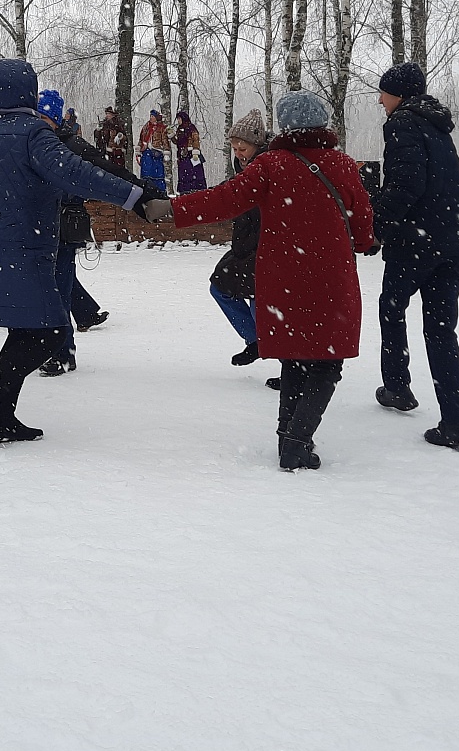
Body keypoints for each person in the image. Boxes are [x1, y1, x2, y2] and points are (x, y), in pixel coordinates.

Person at [0, 59, 145, 444]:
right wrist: (134, 196)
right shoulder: (33, 134)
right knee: (53, 331)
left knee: (27, 331)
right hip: (23, 249)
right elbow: (77, 172)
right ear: (27, 90)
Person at [152, 90, 373, 471]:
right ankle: (297, 441)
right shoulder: (341, 164)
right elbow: (362, 220)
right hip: (329, 275)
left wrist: (172, 209)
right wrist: (365, 240)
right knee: (326, 362)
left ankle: (288, 434)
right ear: (322, 124)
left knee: (294, 358)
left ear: (285, 127)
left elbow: (223, 199)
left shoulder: (270, 165)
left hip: (283, 276)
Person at [369, 62, 459, 448]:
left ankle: (397, 386)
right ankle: (456, 420)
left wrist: (376, 225)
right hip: (454, 239)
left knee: (391, 308)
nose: (380, 101)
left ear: (397, 94)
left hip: (418, 242)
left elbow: (406, 184)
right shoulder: (437, 125)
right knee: (441, 328)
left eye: (383, 93)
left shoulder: (402, 123)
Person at [35, 88, 152, 377]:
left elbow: (106, 170)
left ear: (54, 118)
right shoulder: (32, 143)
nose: (38, 121)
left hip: (62, 226)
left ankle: (62, 353)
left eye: (43, 116)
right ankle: (59, 340)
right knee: (48, 289)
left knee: (58, 290)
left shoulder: (71, 144)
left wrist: (142, 193)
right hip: (37, 229)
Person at [207, 109, 268, 372]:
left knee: (263, 304)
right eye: (235, 148)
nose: (239, 154)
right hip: (244, 244)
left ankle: (292, 366)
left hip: (267, 245)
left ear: (257, 144)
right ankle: (255, 340)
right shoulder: (242, 166)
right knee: (219, 288)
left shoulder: (269, 164)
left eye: (242, 148)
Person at [173, 111, 207, 194]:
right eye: (177, 119)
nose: (178, 121)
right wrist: (172, 136)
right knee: (184, 175)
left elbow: (195, 139)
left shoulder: (191, 128)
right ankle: (185, 191)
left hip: (191, 155)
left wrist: (195, 151)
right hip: (183, 156)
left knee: (194, 173)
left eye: (179, 119)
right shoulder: (179, 130)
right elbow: (178, 142)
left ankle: (195, 190)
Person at [138, 110, 170, 195]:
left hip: (157, 152)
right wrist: (139, 149)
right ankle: (146, 190)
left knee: (158, 174)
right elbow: (141, 138)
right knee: (146, 173)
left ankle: (159, 192)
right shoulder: (146, 127)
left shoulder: (161, 127)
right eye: (150, 116)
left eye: (153, 116)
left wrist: (166, 150)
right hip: (146, 152)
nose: (151, 118)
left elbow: (165, 140)